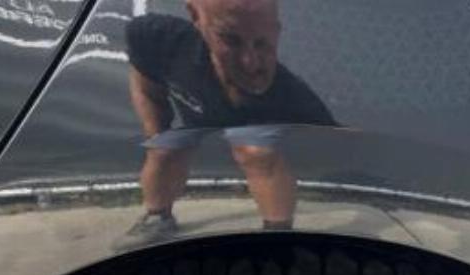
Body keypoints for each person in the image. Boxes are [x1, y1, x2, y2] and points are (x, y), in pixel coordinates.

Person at [125, 0, 335, 236]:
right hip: (198, 116)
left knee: (256, 152)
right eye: (230, 40)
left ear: (276, 31)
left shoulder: (293, 97)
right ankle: (157, 217)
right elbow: (145, 87)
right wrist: (155, 133)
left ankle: (277, 233)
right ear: (195, 16)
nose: (249, 62)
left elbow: (332, 142)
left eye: (262, 43)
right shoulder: (155, 36)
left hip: (261, 126)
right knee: (164, 148)